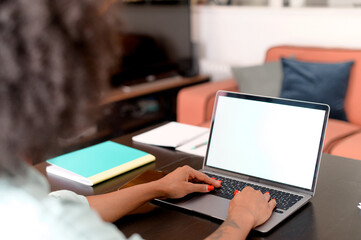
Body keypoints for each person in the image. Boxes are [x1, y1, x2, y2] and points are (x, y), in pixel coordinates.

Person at [0, 0, 276, 239]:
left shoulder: (18, 189)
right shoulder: (55, 228)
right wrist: (241, 218)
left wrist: (158, 187)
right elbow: (63, 219)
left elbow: (71, 205)